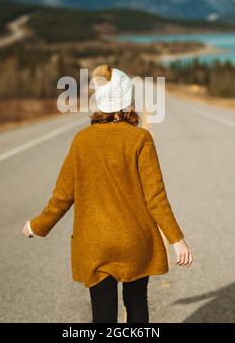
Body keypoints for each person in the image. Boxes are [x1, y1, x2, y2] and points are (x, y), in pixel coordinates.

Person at [22, 64, 193, 323]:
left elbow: (63, 195)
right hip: (134, 242)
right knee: (136, 303)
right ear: (127, 103)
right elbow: (155, 197)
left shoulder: (82, 140)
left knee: (103, 313)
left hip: (95, 244)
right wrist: (176, 239)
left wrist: (38, 225)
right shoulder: (140, 138)